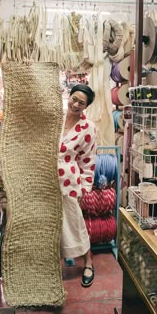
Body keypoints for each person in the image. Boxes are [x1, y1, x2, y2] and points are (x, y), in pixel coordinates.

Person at [58, 84, 96, 287]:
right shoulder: (55, 116)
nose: (75, 104)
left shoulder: (87, 127)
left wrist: (84, 187)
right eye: (74, 98)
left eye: (81, 103)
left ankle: (88, 262)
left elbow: (88, 160)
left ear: (86, 106)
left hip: (69, 180)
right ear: (69, 96)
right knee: (51, 225)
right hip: (45, 179)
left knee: (74, 222)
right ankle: (52, 266)